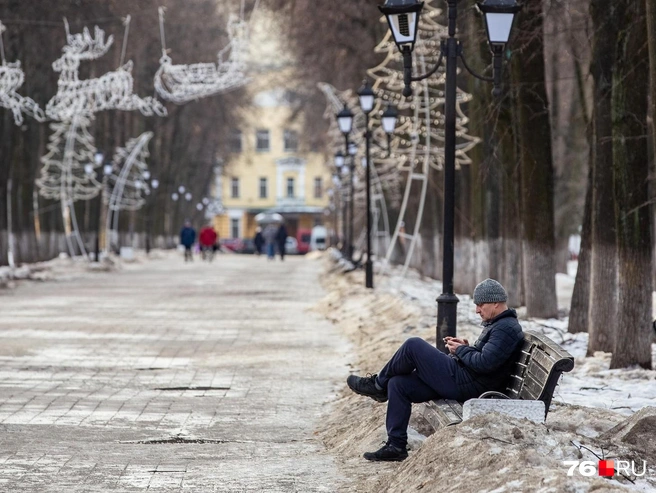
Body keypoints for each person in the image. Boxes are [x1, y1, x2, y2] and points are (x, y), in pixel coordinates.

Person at [346, 279, 524, 462]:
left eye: (480, 305)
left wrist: (461, 351)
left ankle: (376, 385)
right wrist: (466, 347)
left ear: (495, 302)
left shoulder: (505, 328)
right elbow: (487, 358)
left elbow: (485, 363)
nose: (477, 310)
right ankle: (396, 446)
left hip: (467, 385)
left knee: (413, 345)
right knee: (398, 384)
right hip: (466, 379)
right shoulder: (499, 325)